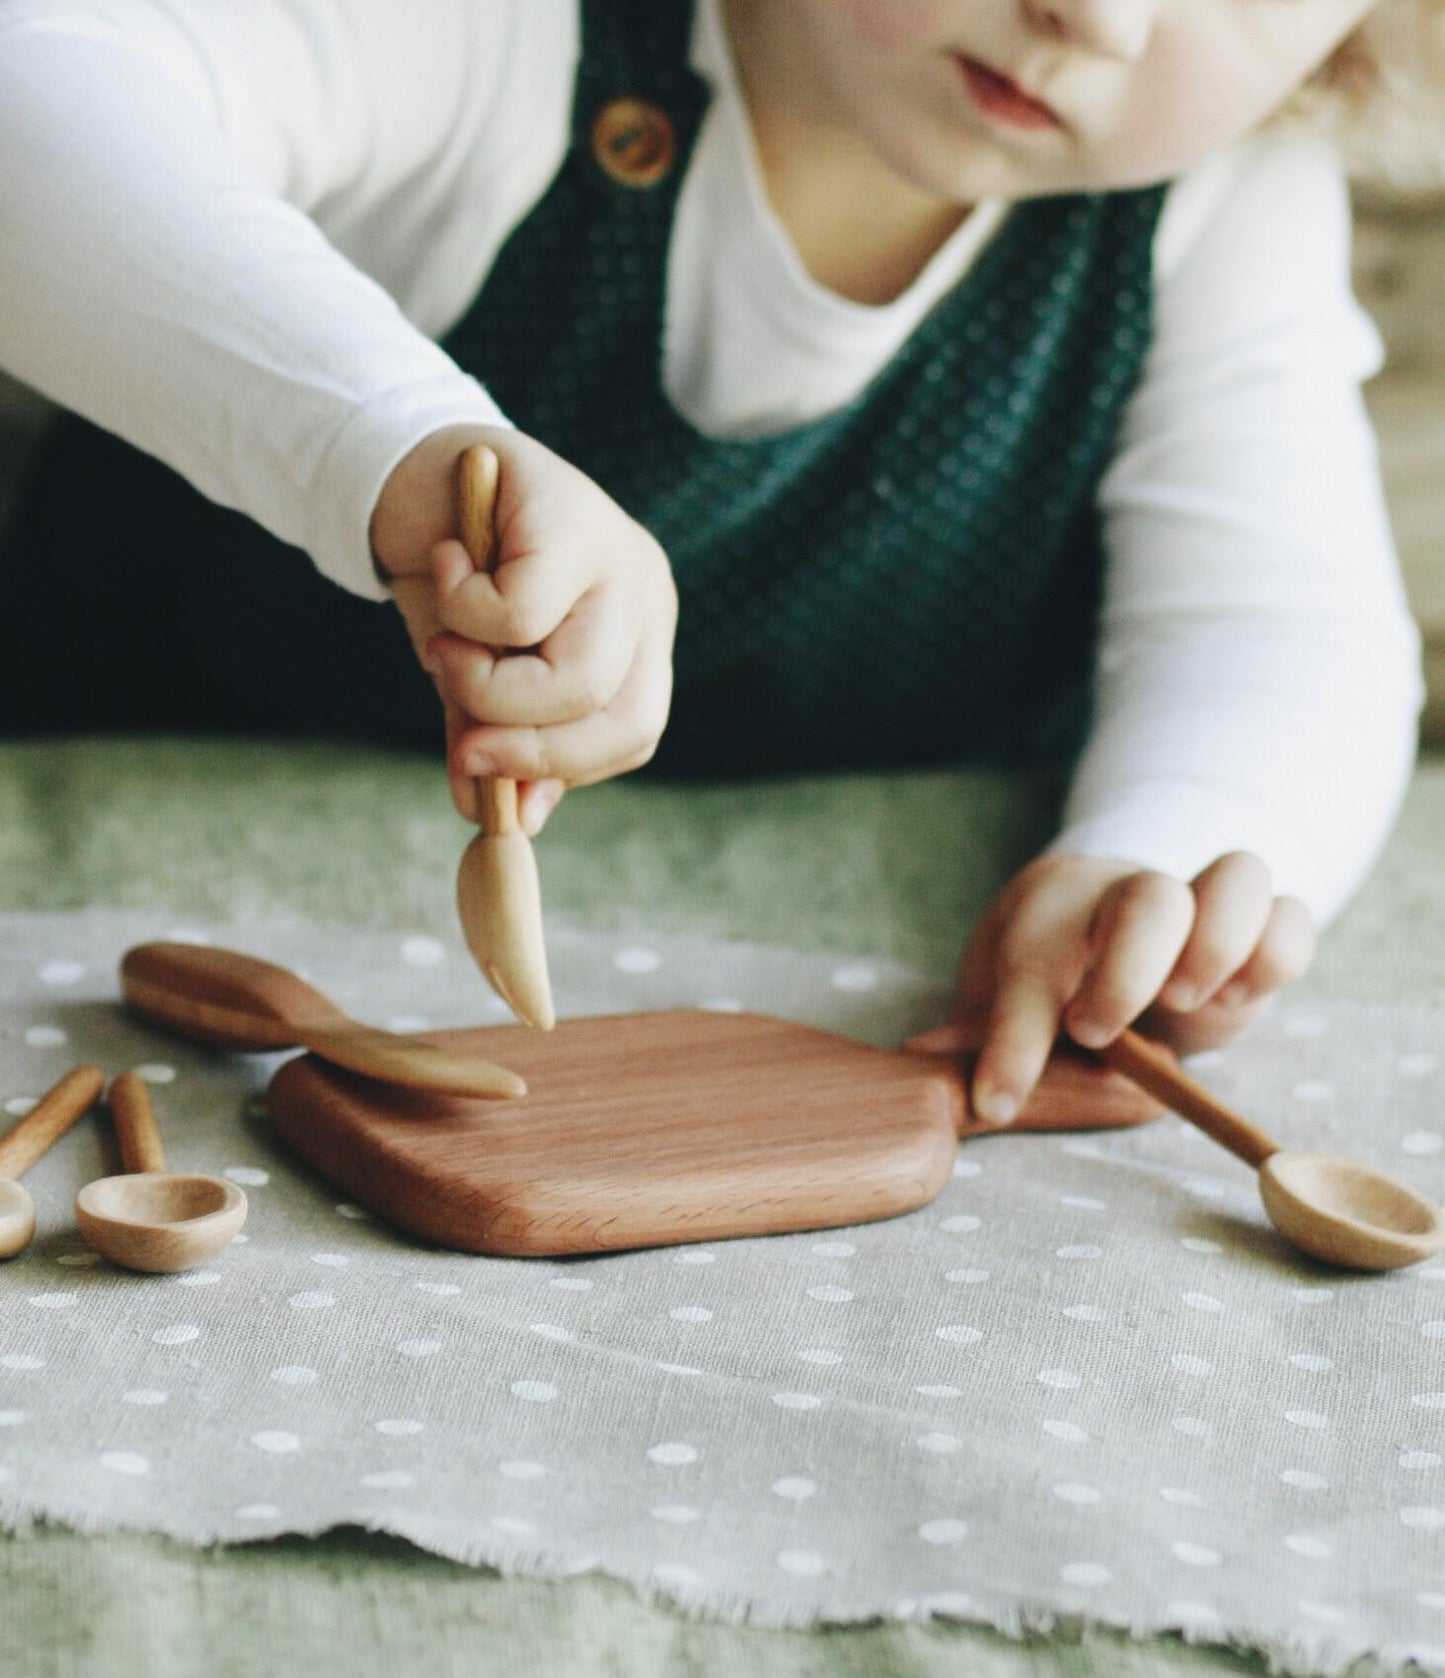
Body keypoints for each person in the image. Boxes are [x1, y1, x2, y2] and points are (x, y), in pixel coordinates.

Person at [0, 0, 1436, 1125]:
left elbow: (1277, 624)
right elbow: (31, 94)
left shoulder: (1214, 204)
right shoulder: (503, 34)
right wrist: (389, 445)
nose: (1098, 15)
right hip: (129, 908)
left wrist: (1169, 852)